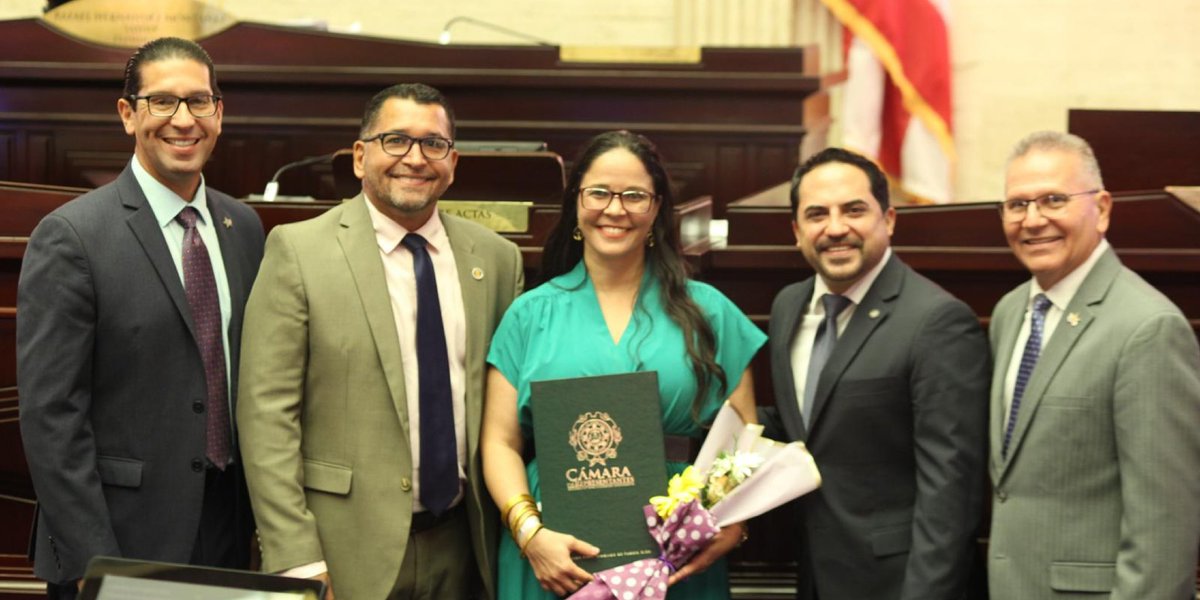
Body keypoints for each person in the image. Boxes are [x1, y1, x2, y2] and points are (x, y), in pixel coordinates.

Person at [237, 83, 523, 600]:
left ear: (452, 162)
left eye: (433, 144)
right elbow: (266, 416)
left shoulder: (498, 260)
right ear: (360, 156)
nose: (415, 158)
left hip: (466, 549)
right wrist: (295, 556)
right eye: (395, 141)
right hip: (343, 551)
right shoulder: (299, 251)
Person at [17, 37, 263, 598]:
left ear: (219, 114)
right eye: (163, 102)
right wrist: (93, 560)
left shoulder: (243, 227)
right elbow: (52, 415)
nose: (184, 120)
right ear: (128, 114)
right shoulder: (73, 236)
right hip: (119, 538)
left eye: (200, 102)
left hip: (228, 526)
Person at [480, 130, 766, 599]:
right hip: (555, 551)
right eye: (599, 193)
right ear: (575, 202)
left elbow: (743, 446)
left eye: (634, 195)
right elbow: (499, 442)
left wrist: (733, 522)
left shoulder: (710, 312)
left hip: (676, 553)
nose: (615, 209)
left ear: (656, 209)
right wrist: (529, 533)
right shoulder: (529, 315)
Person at [759, 147, 989, 600]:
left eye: (854, 210)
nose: (836, 228)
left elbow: (951, 492)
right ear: (796, 231)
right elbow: (809, 425)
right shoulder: (788, 306)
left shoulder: (937, 321)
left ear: (889, 219)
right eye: (817, 214)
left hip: (899, 582)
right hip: (815, 577)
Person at [987, 131, 1200, 599]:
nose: (1033, 220)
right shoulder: (1009, 312)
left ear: (1101, 208)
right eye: (1016, 205)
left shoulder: (1148, 328)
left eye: (1053, 200)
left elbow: (1165, 529)